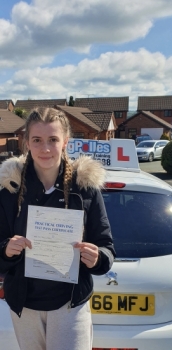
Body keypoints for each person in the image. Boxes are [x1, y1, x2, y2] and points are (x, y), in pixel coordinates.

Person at [0, 107, 115, 350]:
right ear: (26, 143)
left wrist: (97, 258)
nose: (45, 148)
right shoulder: (9, 188)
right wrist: (6, 250)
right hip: (25, 306)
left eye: (53, 139)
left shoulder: (85, 188)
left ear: (65, 142)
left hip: (69, 305)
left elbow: (106, 247)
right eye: (37, 140)